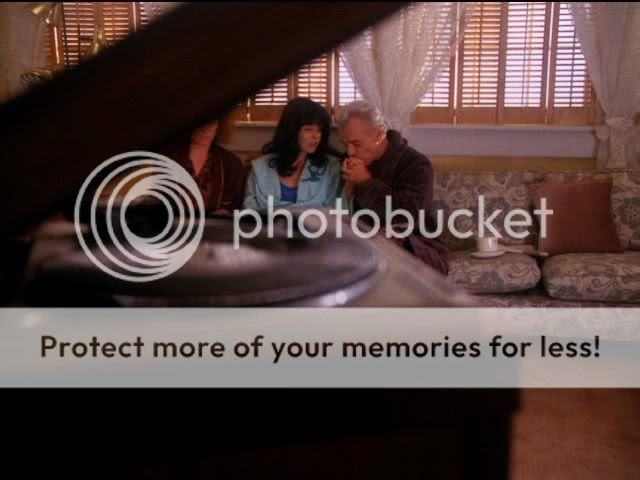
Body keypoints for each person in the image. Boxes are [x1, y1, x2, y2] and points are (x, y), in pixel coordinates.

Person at [336, 100, 448, 275]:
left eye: (356, 144)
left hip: (416, 244)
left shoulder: (416, 164)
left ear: (379, 134)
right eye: (345, 144)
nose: (350, 151)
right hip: (364, 243)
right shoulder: (349, 161)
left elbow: (408, 214)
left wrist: (365, 182)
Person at [243, 97, 343, 209]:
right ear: (291, 130)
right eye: (308, 129)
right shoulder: (260, 167)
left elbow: (336, 212)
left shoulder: (331, 167)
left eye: (319, 130)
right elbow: (248, 211)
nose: (316, 136)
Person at [163, 112, 248, 215]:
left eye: (211, 122)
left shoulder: (231, 163)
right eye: (200, 122)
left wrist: (224, 213)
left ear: (219, 125)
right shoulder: (167, 158)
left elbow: (235, 203)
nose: (205, 129)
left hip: (214, 224)